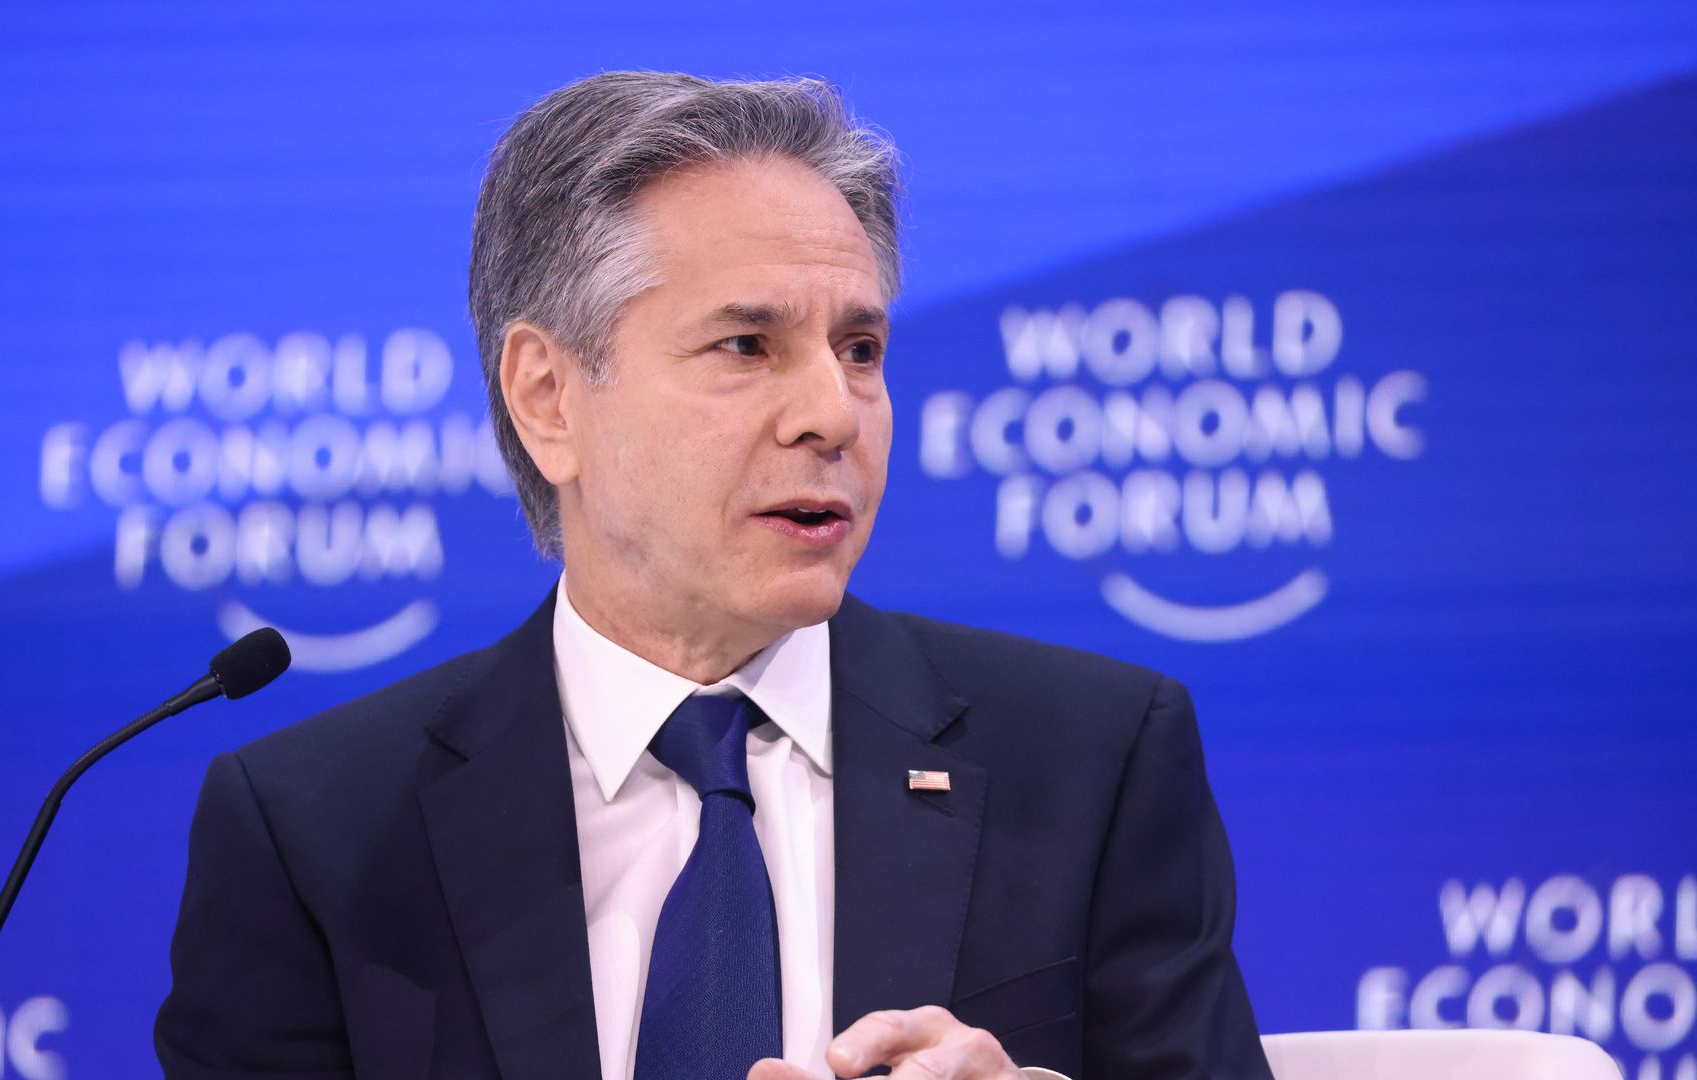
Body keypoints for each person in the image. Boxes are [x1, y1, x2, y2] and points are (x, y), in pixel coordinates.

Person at [154, 71, 1274, 1080]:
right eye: (746, 347)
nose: (835, 413)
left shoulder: (1094, 761)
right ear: (549, 398)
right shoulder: (319, 831)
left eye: (862, 349)